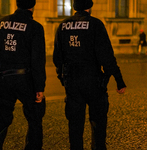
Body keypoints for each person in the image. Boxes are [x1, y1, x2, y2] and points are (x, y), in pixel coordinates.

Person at [53, 0, 126, 149]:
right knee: (98, 124)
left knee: (75, 125)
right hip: (93, 80)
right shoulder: (95, 24)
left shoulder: (63, 25)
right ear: (89, 7)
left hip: (72, 81)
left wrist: (62, 77)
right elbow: (106, 56)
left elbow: (57, 57)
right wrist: (119, 80)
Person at [0, 0, 46, 149]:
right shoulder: (35, 27)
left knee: (1, 121)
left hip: (3, 78)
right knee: (34, 120)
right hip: (25, 79)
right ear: (32, 6)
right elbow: (37, 60)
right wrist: (39, 87)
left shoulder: (2, 23)